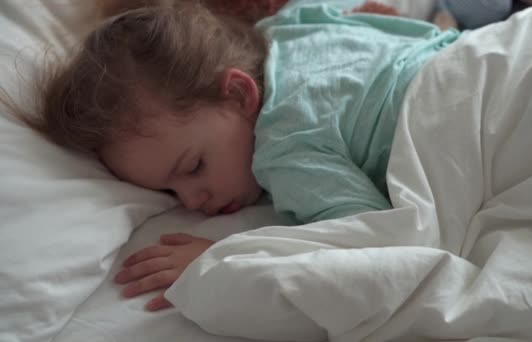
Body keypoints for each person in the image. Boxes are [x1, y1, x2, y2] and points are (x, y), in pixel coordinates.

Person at [7, 0, 459, 311]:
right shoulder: (295, 22)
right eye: (168, 191)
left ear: (241, 93)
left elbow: (382, 242)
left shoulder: (285, 144)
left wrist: (228, 258)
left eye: (192, 167)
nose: (191, 201)